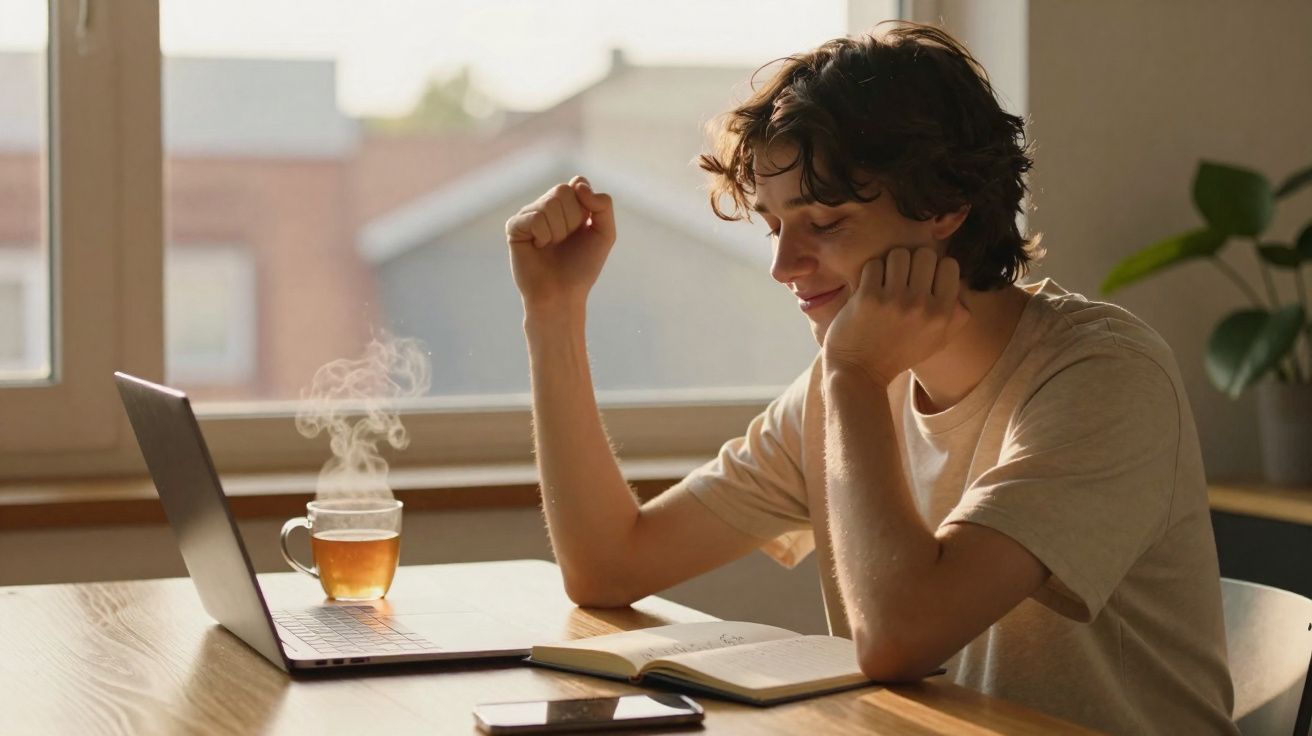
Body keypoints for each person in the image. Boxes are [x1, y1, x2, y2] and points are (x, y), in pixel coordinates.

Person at [503, 21, 1236, 735]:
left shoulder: (1104, 374)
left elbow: (898, 639)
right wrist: (554, 313)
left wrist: (853, 377)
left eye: (825, 223)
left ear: (945, 205)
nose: (783, 266)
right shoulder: (846, 380)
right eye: (774, 225)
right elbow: (608, 566)